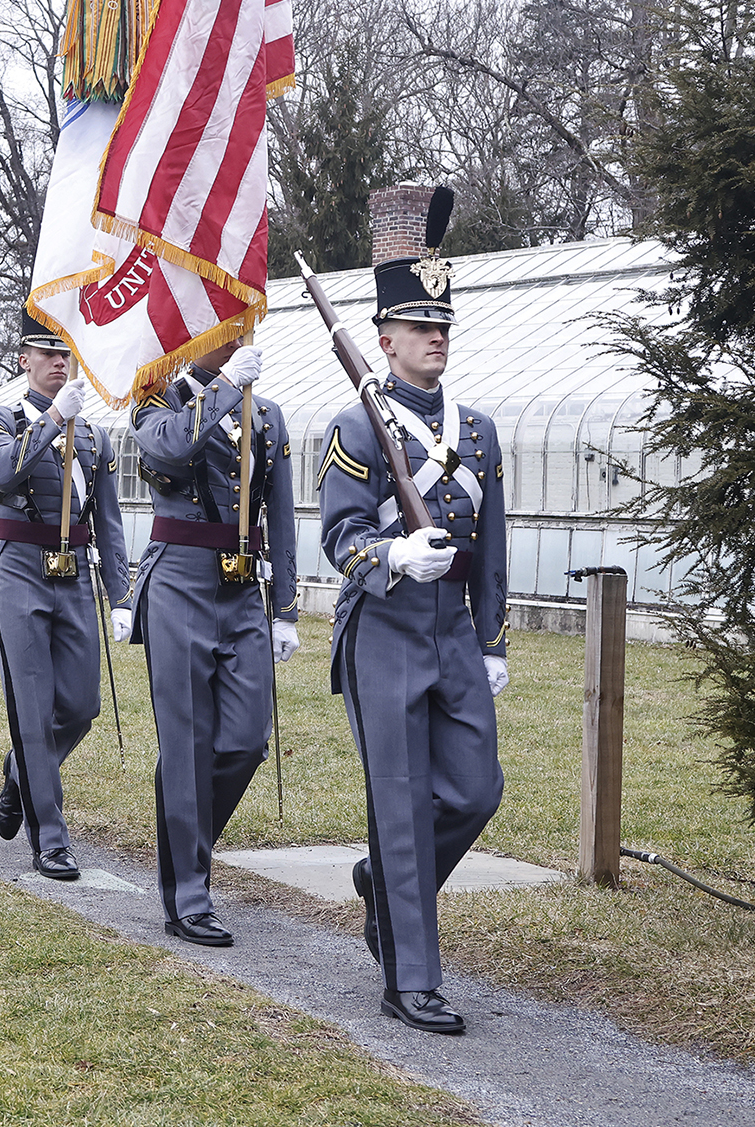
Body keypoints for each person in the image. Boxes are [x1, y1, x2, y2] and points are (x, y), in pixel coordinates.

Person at [317, 186, 510, 1035]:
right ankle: (410, 979)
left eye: (444, 326)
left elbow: (494, 545)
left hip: (456, 636)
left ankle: (383, 883)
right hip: (385, 632)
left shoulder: (477, 431)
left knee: (475, 790)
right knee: (398, 799)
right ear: (385, 338)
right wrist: (391, 553)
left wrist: (494, 638)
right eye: (419, 327)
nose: (436, 339)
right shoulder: (355, 426)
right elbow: (339, 538)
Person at [123, 337, 298, 946]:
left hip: (243, 586)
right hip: (179, 582)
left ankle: (183, 845)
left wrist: (286, 609)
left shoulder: (267, 413)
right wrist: (225, 389)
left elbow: (280, 510)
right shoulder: (153, 401)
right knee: (188, 739)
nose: (236, 334)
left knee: (247, 740)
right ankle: (189, 893)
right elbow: (171, 451)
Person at [0, 313, 129, 881]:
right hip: (19, 571)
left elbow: (108, 522)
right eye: (46, 353)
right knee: (33, 712)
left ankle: (20, 772)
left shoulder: (92, 434)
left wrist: (121, 595)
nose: (59, 363)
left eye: (65, 355)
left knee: (82, 706)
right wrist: (51, 421)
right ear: (24, 360)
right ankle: (51, 838)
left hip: (75, 577)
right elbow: (2, 477)